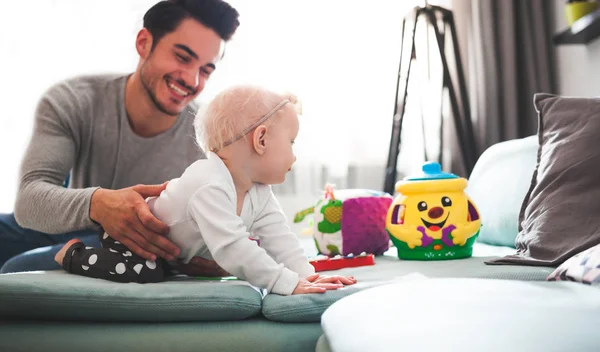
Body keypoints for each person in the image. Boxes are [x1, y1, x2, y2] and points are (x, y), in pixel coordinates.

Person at [0, 0, 240, 276]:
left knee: (18, 269)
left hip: (135, 243)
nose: (192, 80)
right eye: (182, 57)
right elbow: (29, 201)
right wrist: (99, 204)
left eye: (205, 70)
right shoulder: (74, 100)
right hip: (73, 220)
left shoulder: (208, 139)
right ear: (144, 43)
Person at [55, 85, 357, 295]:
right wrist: (284, 282)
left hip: (172, 255)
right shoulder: (210, 183)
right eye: (291, 142)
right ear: (261, 140)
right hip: (135, 237)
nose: (294, 155)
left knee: (165, 270)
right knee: (146, 271)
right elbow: (232, 247)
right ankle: (74, 254)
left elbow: (280, 239)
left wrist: (308, 276)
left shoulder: (258, 191)